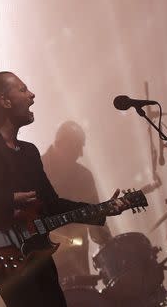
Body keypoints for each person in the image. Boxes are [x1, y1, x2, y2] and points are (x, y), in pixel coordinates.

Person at [0, 71, 129, 307]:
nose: (32, 95)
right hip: (1, 252)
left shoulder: (29, 152)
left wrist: (102, 209)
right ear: (5, 101)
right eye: (23, 90)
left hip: (37, 253)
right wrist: (10, 199)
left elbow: (51, 204)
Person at [41, 120, 113, 281]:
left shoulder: (84, 177)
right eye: (77, 146)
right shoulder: (34, 168)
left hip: (76, 265)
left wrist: (110, 244)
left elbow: (96, 225)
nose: (80, 153)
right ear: (62, 143)